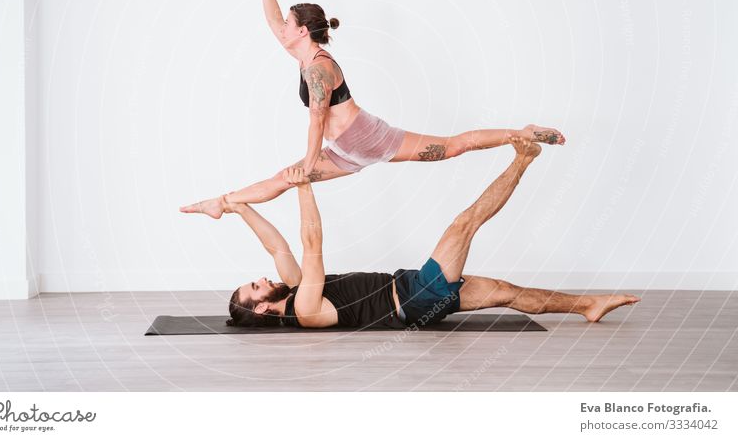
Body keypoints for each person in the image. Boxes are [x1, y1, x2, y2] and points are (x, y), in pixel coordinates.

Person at [179, 0, 566, 218]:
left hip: (367, 138)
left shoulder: (317, 69)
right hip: (345, 151)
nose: (283, 28)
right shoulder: (300, 52)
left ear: (303, 32)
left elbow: (316, 121)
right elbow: (271, 19)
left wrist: (310, 166)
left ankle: (524, 131)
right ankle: (222, 203)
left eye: (289, 26)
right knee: (282, 179)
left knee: (453, 146)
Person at [223, 137, 640, 329]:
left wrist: (238, 206)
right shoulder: (305, 309)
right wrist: (303, 184)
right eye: (255, 287)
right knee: (465, 222)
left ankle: (589, 305)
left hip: (412, 294)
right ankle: (523, 159)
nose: (261, 279)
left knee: (507, 293)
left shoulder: (293, 289)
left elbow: (276, 245)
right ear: (262, 309)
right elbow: (311, 242)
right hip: (415, 295)